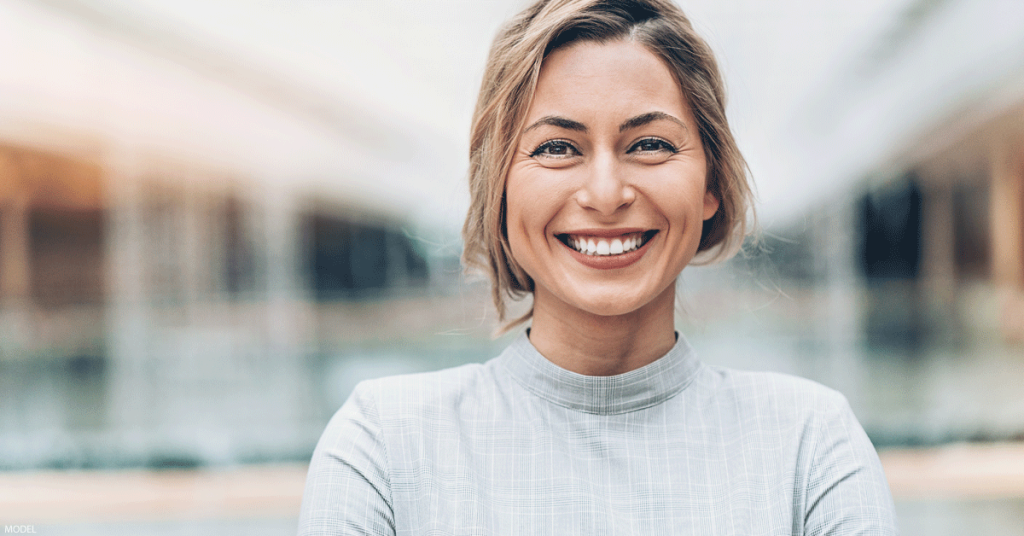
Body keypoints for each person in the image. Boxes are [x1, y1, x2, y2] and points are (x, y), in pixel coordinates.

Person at [299, 0, 899, 534]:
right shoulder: (382, 443)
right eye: (557, 147)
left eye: (650, 144)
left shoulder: (810, 444)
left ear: (711, 183)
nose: (606, 193)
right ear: (499, 187)